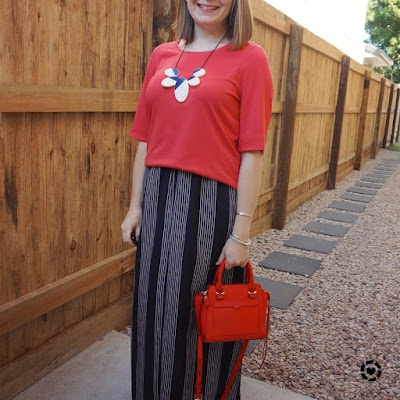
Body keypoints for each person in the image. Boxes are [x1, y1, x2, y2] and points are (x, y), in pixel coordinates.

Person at [121, 0, 273, 398]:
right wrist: (135, 206)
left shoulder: (250, 59)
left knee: (198, 317)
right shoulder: (162, 55)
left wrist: (242, 232)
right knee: (152, 314)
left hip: (209, 206)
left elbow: (252, 152)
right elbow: (145, 140)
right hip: (157, 199)